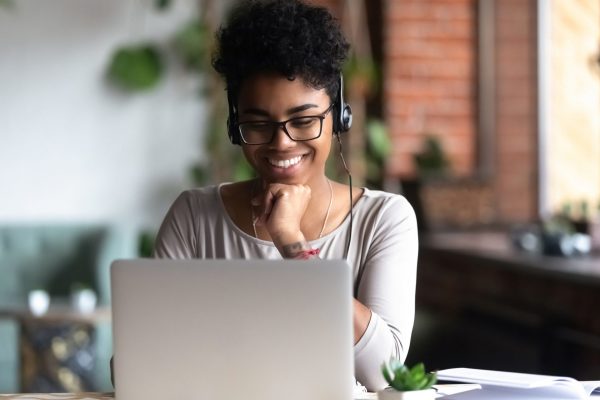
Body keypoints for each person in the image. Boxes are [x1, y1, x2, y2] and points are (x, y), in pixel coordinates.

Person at [153, 0, 418, 391]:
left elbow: (385, 372)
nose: (281, 143)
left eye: (304, 120)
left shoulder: (383, 218)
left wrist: (292, 244)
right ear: (234, 124)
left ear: (339, 118)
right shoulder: (194, 216)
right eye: (258, 124)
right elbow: (139, 363)